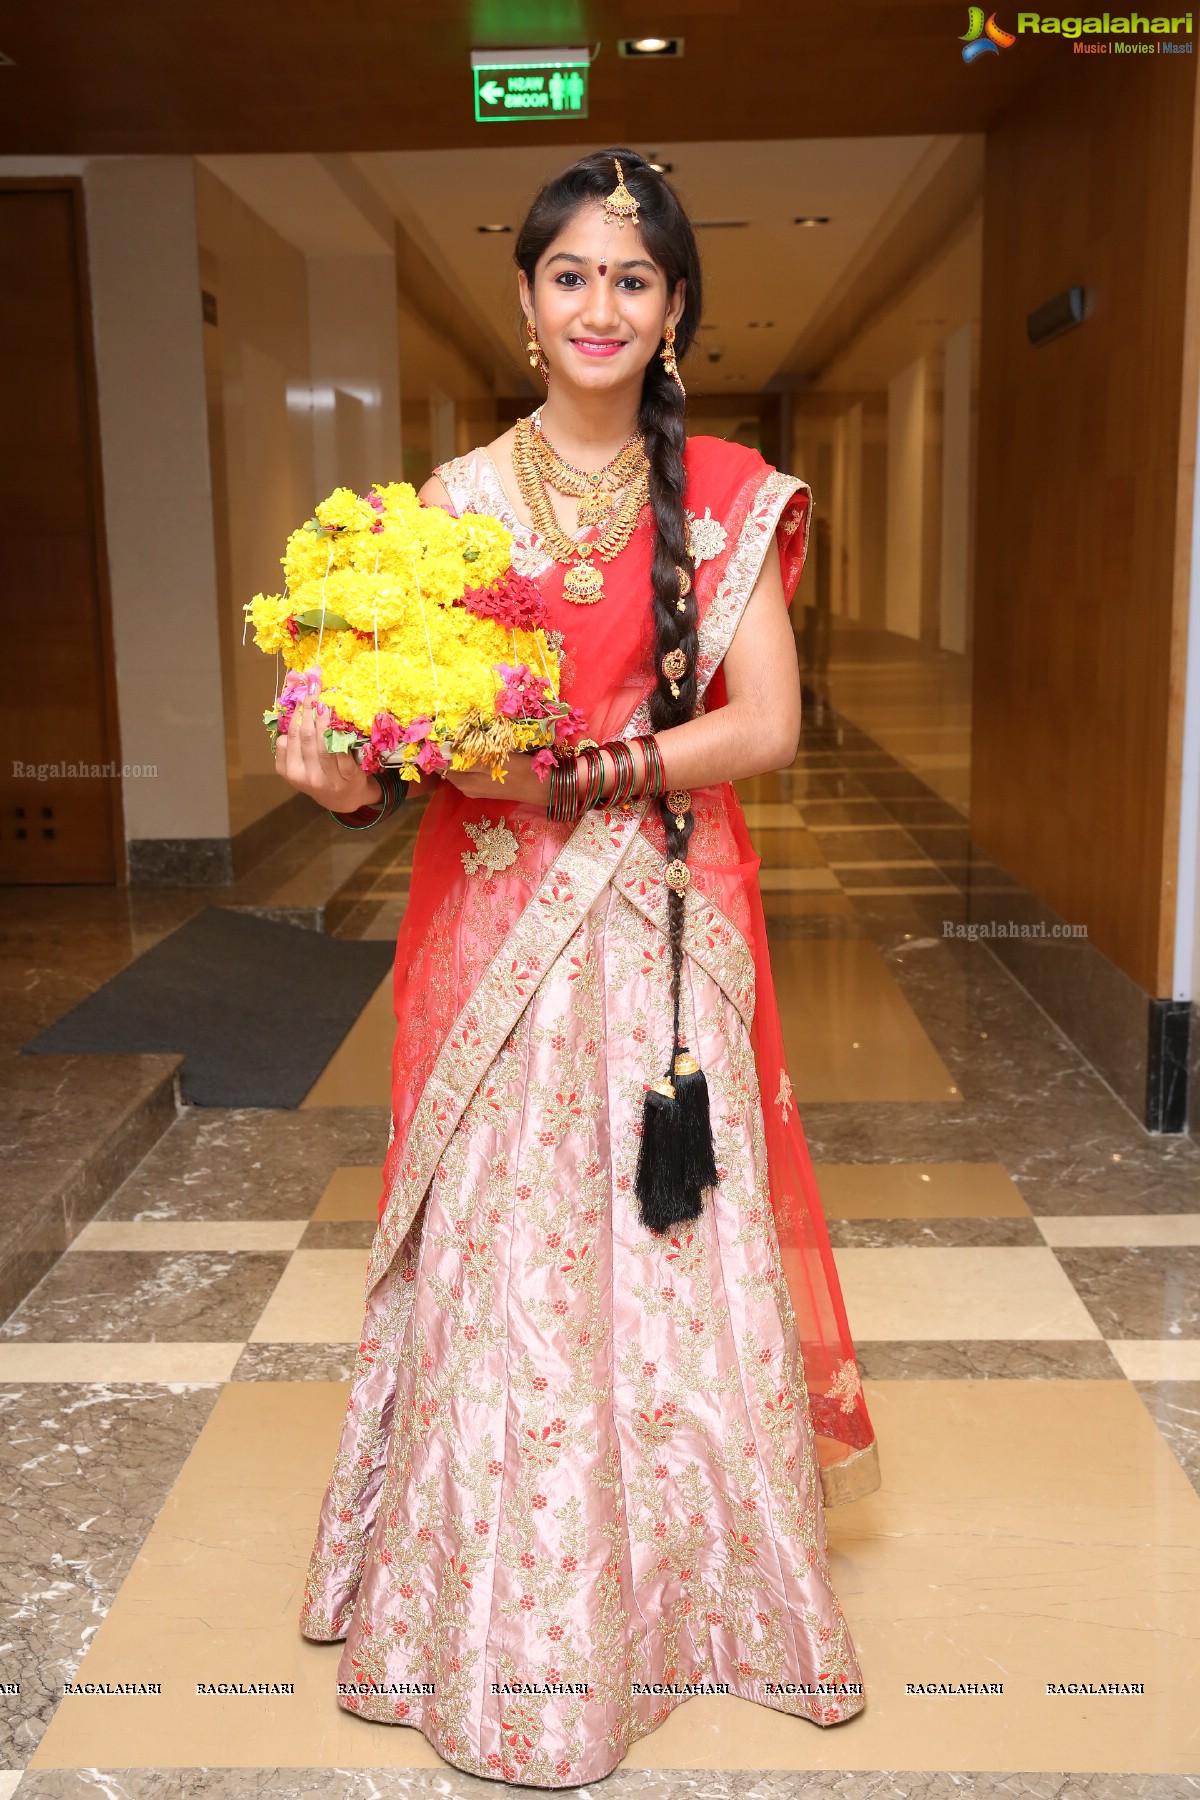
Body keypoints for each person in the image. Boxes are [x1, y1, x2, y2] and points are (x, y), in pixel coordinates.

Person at [276, 147, 878, 1789]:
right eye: (570, 275)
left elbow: (764, 724)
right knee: (507, 1259)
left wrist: (592, 778)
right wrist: (336, 759)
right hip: (495, 942)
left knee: (664, 1239)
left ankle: (698, 1598)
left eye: (633, 278)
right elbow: (369, 749)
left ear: (674, 311)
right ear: (525, 300)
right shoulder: (449, 505)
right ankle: (498, 1598)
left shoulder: (730, 491)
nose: (599, 305)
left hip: (660, 932)